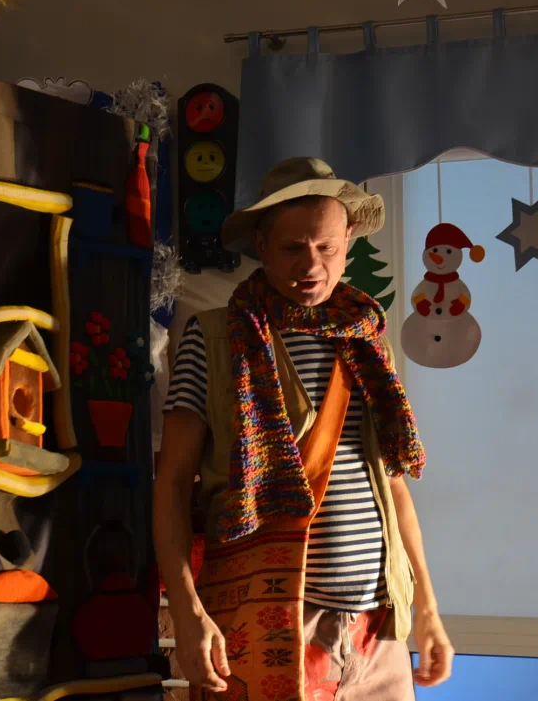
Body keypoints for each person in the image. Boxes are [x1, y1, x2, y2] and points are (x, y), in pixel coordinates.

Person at [153, 157, 453, 701]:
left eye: (326, 247)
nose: (312, 265)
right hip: (265, 620)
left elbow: (393, 486)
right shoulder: (213, 338)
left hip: (378, 633)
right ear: (262, 246)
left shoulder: (367, 343)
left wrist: (429, 609)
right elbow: (172, 483)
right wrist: (188, 611)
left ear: (348, 242)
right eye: (293, 248)